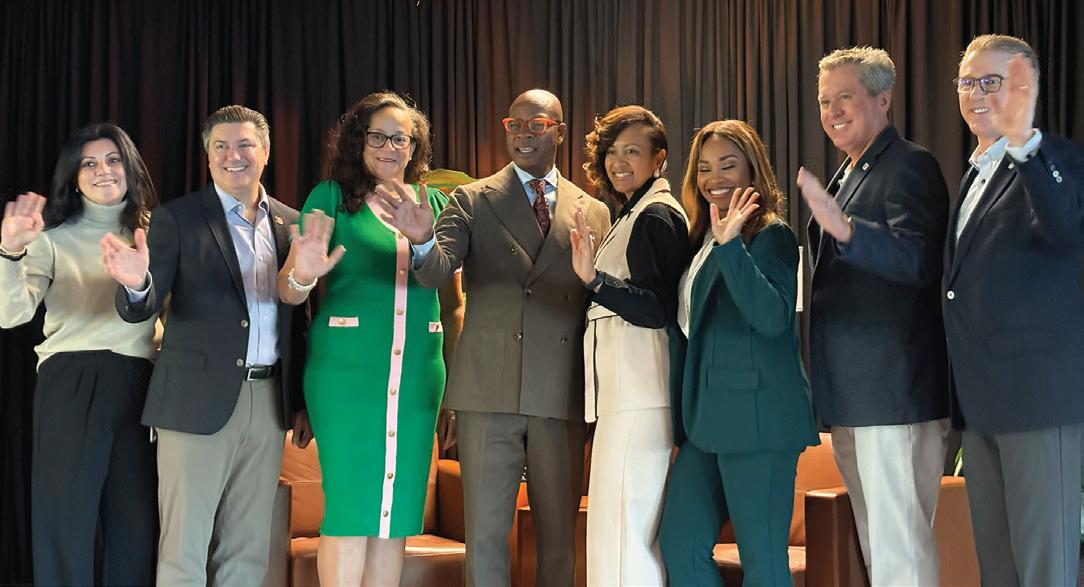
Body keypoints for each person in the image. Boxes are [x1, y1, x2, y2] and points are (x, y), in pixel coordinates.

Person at [376, 88, 611, 586]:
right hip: (487, 392)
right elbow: (436, 270)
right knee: (484, 537)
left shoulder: (592, 210)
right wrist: (422, 241)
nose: (523, 133)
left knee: (558, 541)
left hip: (560, 392)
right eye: (514, 124)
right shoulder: (473, 198)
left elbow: (598, 306)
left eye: (537, 124)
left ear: (560, 132)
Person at [100, 105, 312, 586]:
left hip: (269, 402)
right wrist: (136, 285)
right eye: (221, 146)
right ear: (208, 156)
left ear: (266, 151)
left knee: (248, 547)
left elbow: (297, 324)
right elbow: (144, 305)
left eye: (244, 144)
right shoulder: (178, 218)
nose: (233, 155)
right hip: (194, 402)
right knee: (184, 548)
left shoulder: (291, 223)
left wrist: (298, 400)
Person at [277, 91, 464, 586]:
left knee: (396, 515)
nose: (388, 148)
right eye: (377, 137)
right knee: (350, 507)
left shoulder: (435, 203)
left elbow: (452, 301)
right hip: (346, 377)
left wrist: (456, 390)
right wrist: (302, 274)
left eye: (400, 139)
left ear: (414, 146)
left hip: (419, 377)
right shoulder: (331, 198)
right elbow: (289, 291)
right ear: (359, 141)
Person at [796, 46, 950, 586]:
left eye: (845, 97)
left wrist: (848, 231)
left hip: (893, 392)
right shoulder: (848, 173)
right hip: (854, 394)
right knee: (877, 545)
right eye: (824, 101)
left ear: (883, 99)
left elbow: (920, 261)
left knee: (899, 547)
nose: (832, 111)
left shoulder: (909, 165)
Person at [944, 34, 1084, 587]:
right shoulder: (975, 173)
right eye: (967, 82)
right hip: (981, 407)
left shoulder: (1055, 159)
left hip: (1037, 403)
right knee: (998, 570)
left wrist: (1026, 145)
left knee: (1045, 570)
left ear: (1026, 88)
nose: (976, 93)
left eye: (991, 81)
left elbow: (1066, 229)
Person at [657, 119, 818, 586]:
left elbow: (772, 318)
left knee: (763, 563)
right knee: (680, 546)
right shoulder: (701, 238)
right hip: (705, 424)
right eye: (705, 167)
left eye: (728, 165)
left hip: (758, 423)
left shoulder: (772, 236)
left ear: (752, 170)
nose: (715, 178)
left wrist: (732, 248)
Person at [0, 123, 158, 586]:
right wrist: (9, 251)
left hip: (141, 382)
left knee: (135, 527)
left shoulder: (158, 232)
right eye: (88, 163)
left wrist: (139, 284)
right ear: (73, 176)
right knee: (65, 521)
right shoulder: (50, 235)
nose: (102, 171)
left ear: (130, 167)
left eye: (112, 160)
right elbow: (10, 314)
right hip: (71, 380)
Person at [568, 104, 691, 586]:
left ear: (659, 158)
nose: (619, 162)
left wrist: (595, 280)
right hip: (626, 397)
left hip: (640, 396)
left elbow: (658, 309)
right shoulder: (634, 212)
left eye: (633, 151)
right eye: (612, 151)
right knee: (621, 532)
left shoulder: (656, 215)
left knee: (622, 535)